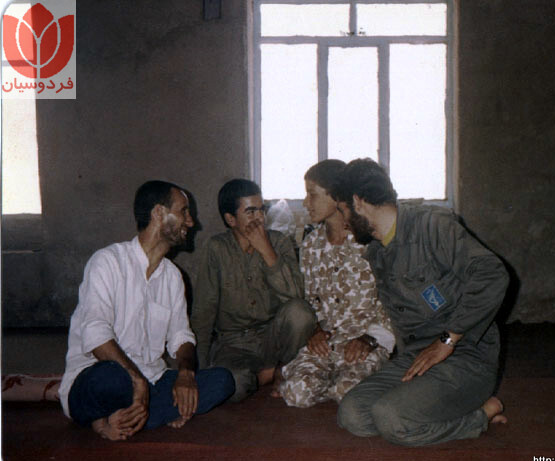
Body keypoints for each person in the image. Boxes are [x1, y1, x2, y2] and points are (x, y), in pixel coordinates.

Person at [333, 159, 509, 446]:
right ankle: (432, 407)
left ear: (358, 202)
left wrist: (447, 340)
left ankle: (481, 415)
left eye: (343, 210)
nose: (343, 222)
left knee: (391, 417)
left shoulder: (433, 226)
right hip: (417, 357)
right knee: (352, 413)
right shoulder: (377, 252)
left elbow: (492, 274)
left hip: (466, 356)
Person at [58, 181, 235, 441]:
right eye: (184, 211)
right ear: (158, 213)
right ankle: (128, 416)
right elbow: (96, 334)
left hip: (152, 380)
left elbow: (181, 337)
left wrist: (185, 374)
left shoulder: (173, 277)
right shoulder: (108, 262)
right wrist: (137, 381)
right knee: (112, 378)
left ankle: (130, 417)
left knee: (223, 381)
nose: (190, 222)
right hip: (99, 377)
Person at [277, 160, 395, 407]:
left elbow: (392, 301)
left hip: (365, 343)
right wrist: (315, 331)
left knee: (346, 392)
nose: (306, 203)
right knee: (297, 394)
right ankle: (323, 380)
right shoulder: (311, 245)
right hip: (329, 342)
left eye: (312, 194)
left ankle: (354, 382)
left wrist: (371, 339)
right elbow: (312, 299)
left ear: (336, 197)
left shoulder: (369, 240)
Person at [190, 179, 315, 401]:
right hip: (234, 344)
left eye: (261, 210)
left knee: (300, 312)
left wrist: (266, 250)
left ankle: (282, 367)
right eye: (250, 212)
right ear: (231, 219)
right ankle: (268, 375)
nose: (259, 218)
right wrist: (198, 370)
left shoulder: (278, 242)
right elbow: (203, 312)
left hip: (273, 337)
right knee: (231, 386)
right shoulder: (217, 248)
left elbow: (296, 295)